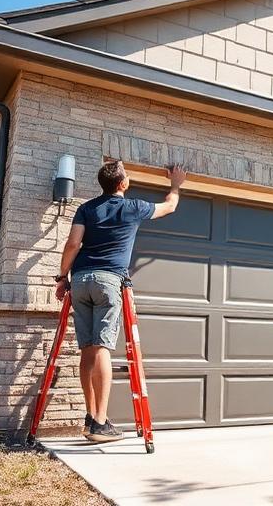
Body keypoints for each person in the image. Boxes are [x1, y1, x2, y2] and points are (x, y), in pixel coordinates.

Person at [54, 160, 187, 442]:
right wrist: (176, 184)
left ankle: (90, 417)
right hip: (108, 280)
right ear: (123, 184)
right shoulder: (133, 207)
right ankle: (100, 423)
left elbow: (73, 244)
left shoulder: (86, 208)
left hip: (80, 280)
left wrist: (62, 278)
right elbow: (170, 206)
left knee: (88, 349)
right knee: (102, 346)